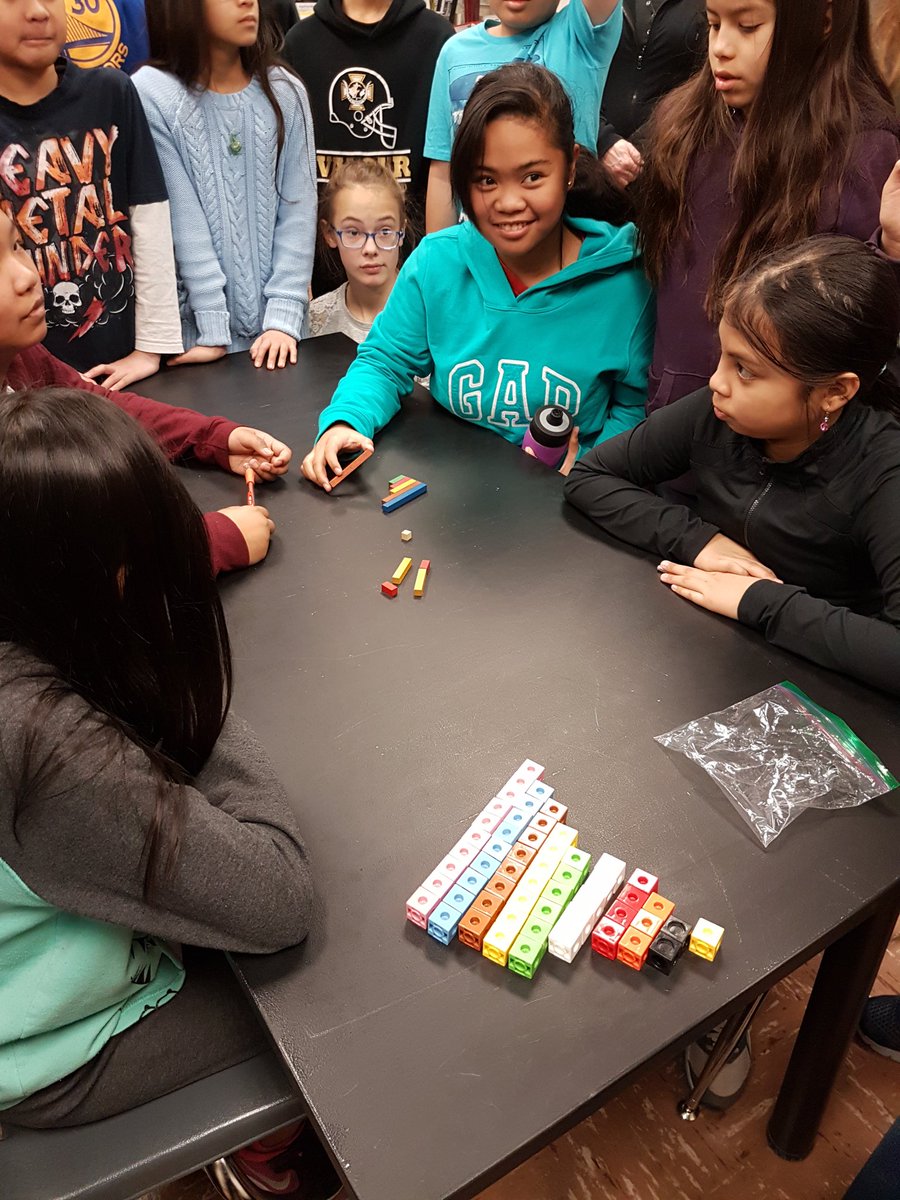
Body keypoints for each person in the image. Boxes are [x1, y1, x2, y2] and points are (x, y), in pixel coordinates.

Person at [0, 386, 345, 1200]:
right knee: (330, 981)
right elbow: (277, 896)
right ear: (114, 580)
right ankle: (273, 1161)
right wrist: (170, 670)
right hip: (50, 1053)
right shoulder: (47, 748)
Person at [565, 232, 900, 700]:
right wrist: (699, 541)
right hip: (708, 658)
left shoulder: (883, 473)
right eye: (723, 356)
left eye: (744, 370)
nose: (716, 382)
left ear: (835, 392)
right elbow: (590, 476)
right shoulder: (717, 412)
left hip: (822, 692)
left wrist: (760, 602)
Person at [301, 63, 655, 491]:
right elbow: (385, 361)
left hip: (567, 514)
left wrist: (593, 472)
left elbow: (633, 405)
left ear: (572, 168)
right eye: (486, 179)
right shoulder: (436, 263)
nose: (508, 202)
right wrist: (346, 421)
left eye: (532, 177)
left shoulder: (626, 286)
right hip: (450, 503)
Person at [635, 0, 900, 414]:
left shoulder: (863, 150)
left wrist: (892, 248)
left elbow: (858, 319)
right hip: (672, 420)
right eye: (713, 24)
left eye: (748, 26)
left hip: (780, 446)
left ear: (824, 19)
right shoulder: (683, 123)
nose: (721, 47)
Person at [0, 206, 282, 572]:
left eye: (17, 245)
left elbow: (97, 409)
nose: (26, 277)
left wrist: (213, 439)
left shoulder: (23, 358)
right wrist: (207, 542)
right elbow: (73, 576)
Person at [0, 0, 183, 389]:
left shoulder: (110, 91)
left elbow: (149, 216)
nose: (38, 11)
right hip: (23, 388)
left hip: (123, 366)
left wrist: (152, 346)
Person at [134, 0, 317, 371]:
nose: (248, 2)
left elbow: (298, 211)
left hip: (281, 340)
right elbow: (183, 223)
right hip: (196, 343)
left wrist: (284, 316)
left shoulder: (286, 92)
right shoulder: (152, 94)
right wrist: (212, 327)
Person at [280, 0, 452, 275]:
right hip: (321, 282)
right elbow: (288, 177)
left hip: (415, 280)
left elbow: (445, 169)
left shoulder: (438, 41)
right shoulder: (300, 44)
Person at [423, 0, 623, 232]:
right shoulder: (454, 52)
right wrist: (441, 259)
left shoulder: (579, 35)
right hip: (475, 248)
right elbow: (442, 170)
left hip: (564, 245)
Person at [597, 0, 707, 190]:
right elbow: (576, 70)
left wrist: (642, 150)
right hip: (592, 153)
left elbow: (705, 87)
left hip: (664, 162)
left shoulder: (704, 7)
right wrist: (603, 140)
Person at [307, 157, 407, 343]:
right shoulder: (313, 322)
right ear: (329, 234)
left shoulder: (431, 314)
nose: (371, 248)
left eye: (385, 231)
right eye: (354, 232)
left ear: (401, 231)